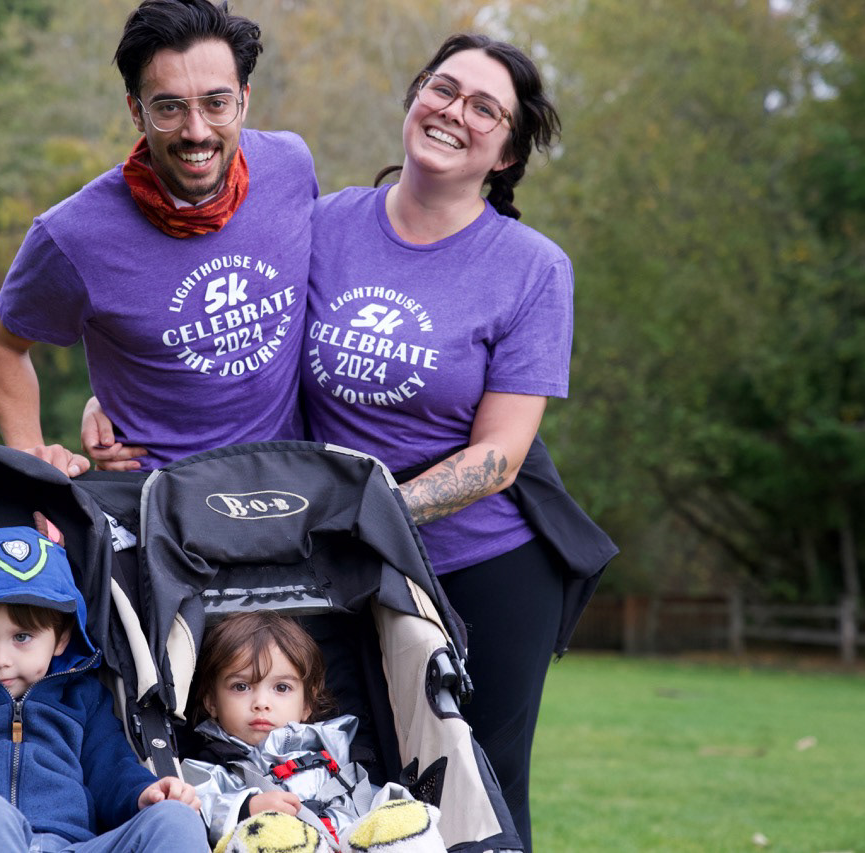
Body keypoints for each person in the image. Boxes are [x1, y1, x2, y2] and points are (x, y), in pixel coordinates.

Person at [298, 35, 574, 852]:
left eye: (485, 108)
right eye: (443, 89)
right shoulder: (321, 223)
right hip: (333, 565)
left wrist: (376, 512)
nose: (455, 112)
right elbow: (242, 347)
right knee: (341, 785)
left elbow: (500, 454)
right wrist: (119, 398)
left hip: (484, 568)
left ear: (508, 152)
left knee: (479, 797)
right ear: (415, 95)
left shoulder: (532, 268)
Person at [0, 0, 317, 476]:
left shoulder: (290, 167)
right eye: (169, 107)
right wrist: (32, 459)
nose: (196, 131)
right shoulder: (72, 236)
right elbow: (1, 348)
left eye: (216, 103)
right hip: (155, 497)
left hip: (293, 480)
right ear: (136, 112)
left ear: (244, 99)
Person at [0, 518, 207, 852]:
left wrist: (144, 793)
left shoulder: (83, 699)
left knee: (176, 819)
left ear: (61, 639)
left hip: (72, 845)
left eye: (22, 637)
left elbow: (111, 772)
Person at [180, 611, 444, 853]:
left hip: (348, 840)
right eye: (241, 687)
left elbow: (363, 799)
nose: (261, 703)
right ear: (211, 701)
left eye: (281, 688)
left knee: (402, 817)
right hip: (278, 842)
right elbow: (201, 811)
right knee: (270, 836)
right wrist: (245, 809)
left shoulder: (334, 750)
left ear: (307, 704)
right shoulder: (207, 770)